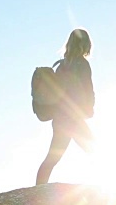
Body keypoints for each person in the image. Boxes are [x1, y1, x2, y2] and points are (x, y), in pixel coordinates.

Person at [36, 28, 95, 185]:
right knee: (94, 150)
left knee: (53, 157)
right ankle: (114, 195)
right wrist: (90, 109)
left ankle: (37, 191)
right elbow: (87, 89)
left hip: (60, 118)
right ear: (86, 44)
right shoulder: (82, 64)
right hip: (73, 117)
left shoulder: (61, 66)